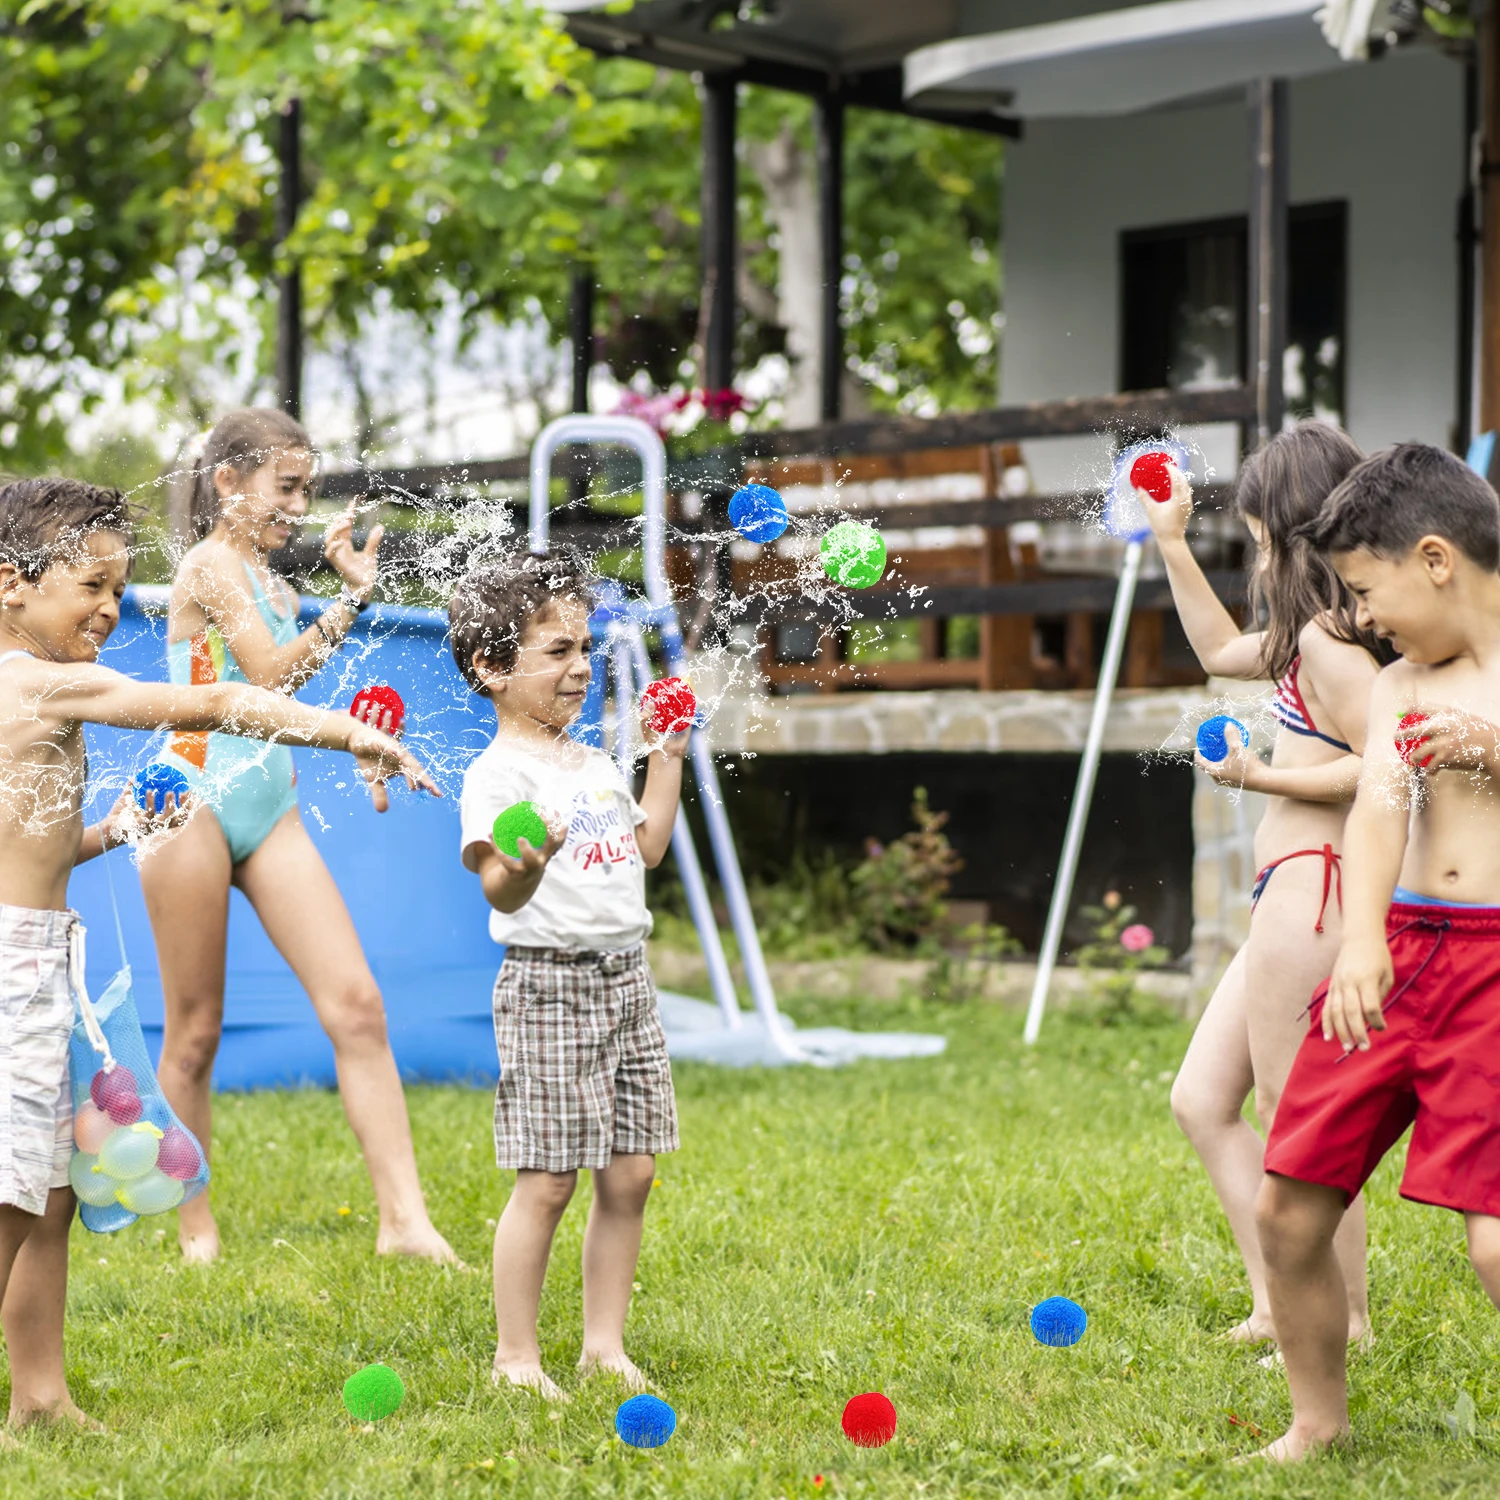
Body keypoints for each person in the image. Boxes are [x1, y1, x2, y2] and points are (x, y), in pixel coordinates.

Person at [0, 476, 433, 1434]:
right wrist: (349, 731)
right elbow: (222, 698)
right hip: (14, 973)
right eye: (90, 586)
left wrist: (112, 833)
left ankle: (41, 1396)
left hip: (35, 961)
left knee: (49, 1195)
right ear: (10, 584)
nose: (109, 608)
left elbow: (25, 852)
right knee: (12, 1203)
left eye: (120, 589)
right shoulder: (34, 681)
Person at [137, 407, 454, 1264]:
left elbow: (283, 691)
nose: (300, 507)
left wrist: (347, 595)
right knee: (195, 1032)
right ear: (227, 481)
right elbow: (271, 676)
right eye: (287, 486)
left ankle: (405, 1223)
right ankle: (195, 1225)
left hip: (268, 804)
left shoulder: (275, 585)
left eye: (308, 488)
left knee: (358, 1005)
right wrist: (349, 600)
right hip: (190, 800)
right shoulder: (207, 565)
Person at [1255, 444, 1500, 1459]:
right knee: (1286, 1211)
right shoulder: (1400, 686)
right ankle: (1318, 1421)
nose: (1361, 617)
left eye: (1365, 590)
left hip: (1496, 973)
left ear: (1435, 560)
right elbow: (1379, 810)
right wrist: (1360, 940)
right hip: (1400, 954)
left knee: (1495, 1244)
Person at [1141, 423, 1387, 1345]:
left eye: (1261, 542)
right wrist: (1172, 540)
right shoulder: (1303, 637)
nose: (1257, 560)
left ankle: (1343, 1318)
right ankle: (1281, 1299)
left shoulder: (1331, 644)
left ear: (1299, 537)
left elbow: (1381, 768)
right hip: (1288, 891)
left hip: (1316, 891)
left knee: (1298, 1122)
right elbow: (1216, 652)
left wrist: (1260, 778)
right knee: (1202, 1100)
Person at [451, 550, 684, 1399]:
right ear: (492, 667)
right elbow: (499, 887)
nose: (581, 666)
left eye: (585, 647)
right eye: (557, 650)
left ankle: (602, 1347)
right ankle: (515, 1359)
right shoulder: (497, 776)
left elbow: (647, 847)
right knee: (548, 1180)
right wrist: (528, 864)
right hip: (550, 985)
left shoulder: (591, 764)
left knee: (632, 1172)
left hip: (627, 979)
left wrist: (665, 754)